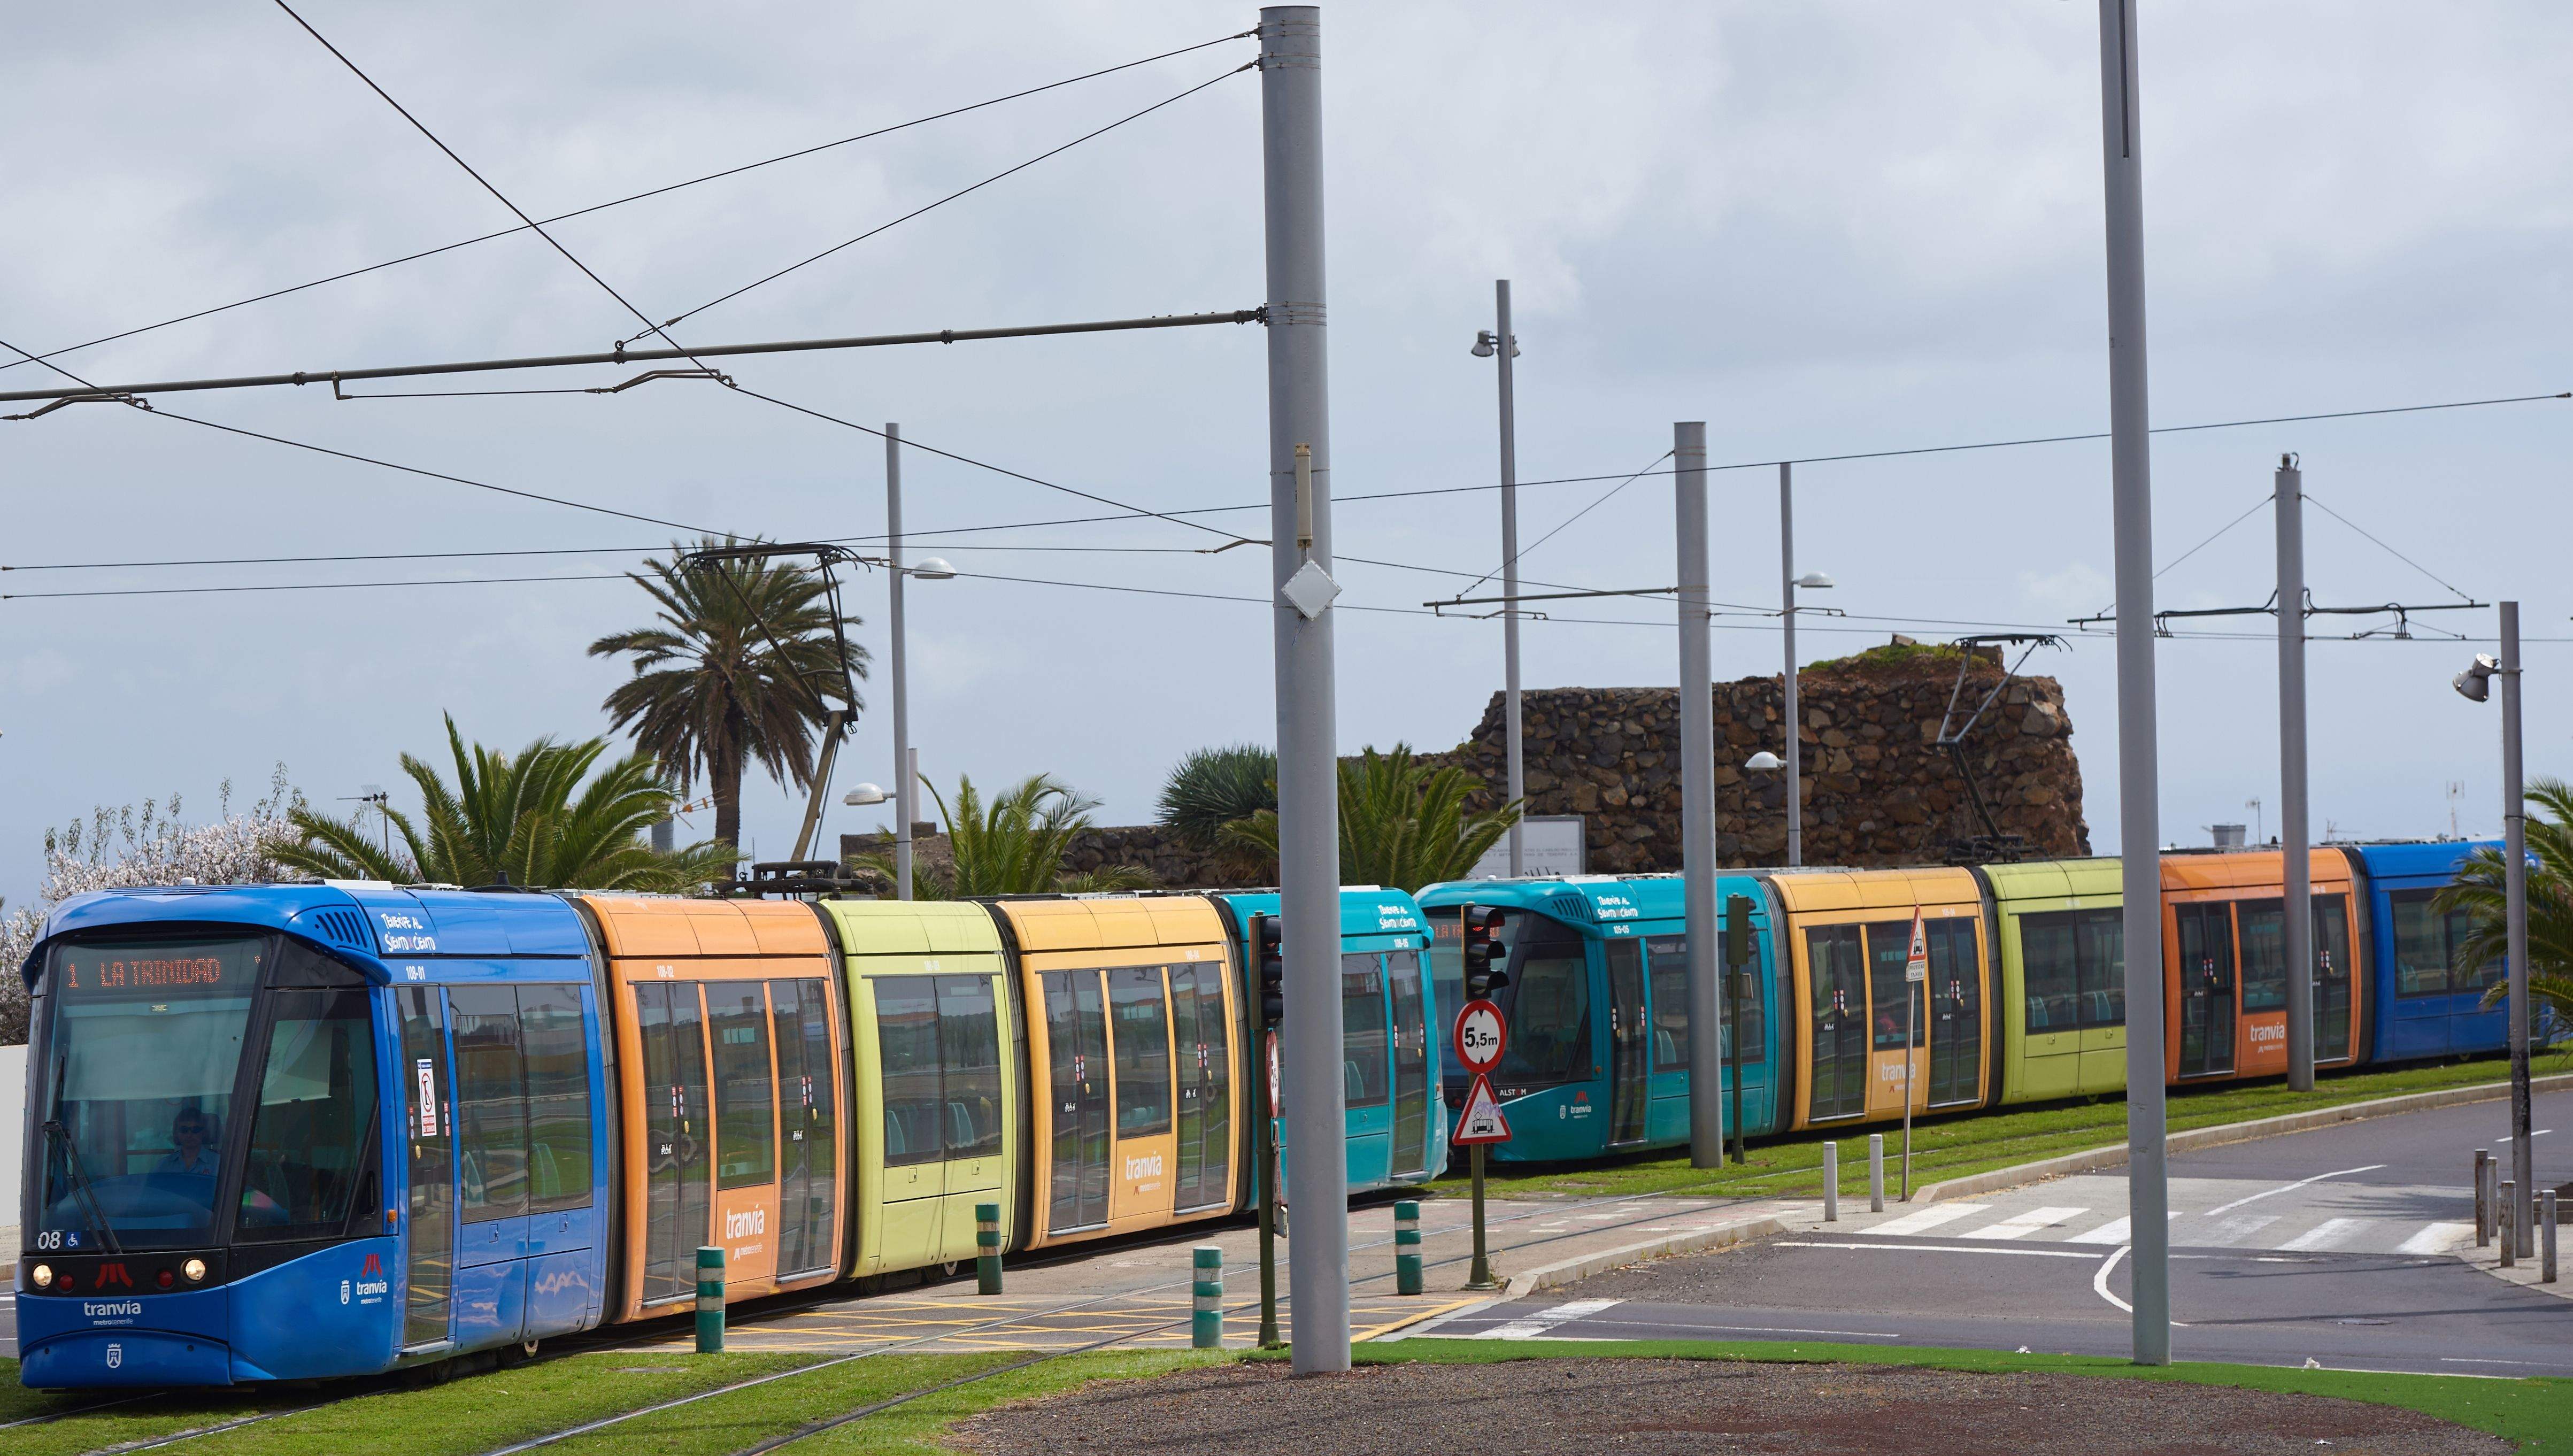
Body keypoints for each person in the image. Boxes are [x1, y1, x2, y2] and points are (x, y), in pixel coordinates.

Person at [157, 1110, 220, 1178]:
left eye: (195, 1129)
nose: (189, 1135)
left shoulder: (218, 1163)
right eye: (184, 1130)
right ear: (177, 1134)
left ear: (204, 1133)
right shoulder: (164, 1165)